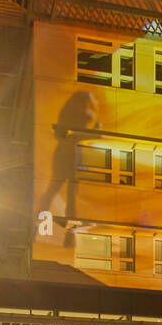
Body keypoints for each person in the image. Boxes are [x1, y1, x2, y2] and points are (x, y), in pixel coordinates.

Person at [36, 91, 101, 246]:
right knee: (54, 190)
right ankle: (37, 223)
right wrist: (93, 133)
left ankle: (68, 237)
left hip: (74, 157)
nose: (84, 106)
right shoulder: (69, 115)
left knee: (69, 197)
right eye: (82, 103)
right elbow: (66, 135)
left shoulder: (85, 115)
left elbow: (80, 136)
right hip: (66, 157)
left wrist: (93, 131)